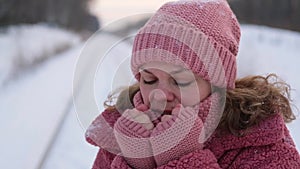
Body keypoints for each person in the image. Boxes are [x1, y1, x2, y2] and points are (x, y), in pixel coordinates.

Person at [85, 0, 300, 168]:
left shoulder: (261, 143)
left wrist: (182, 159)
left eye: (180, 81)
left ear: (217, 85)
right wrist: (134, 161)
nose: (159, 96)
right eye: (149, 80)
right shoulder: (124, 134)